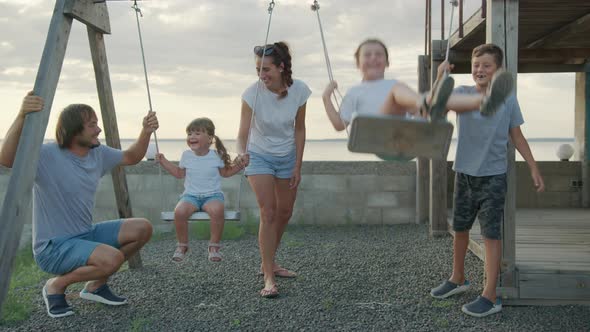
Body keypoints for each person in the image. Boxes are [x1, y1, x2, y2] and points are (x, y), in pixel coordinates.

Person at [0, 91, 158, 318]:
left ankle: (96, 286)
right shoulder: (46, 154)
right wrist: (23, 114)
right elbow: (6, 159)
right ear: (74, 130)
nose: (98, 130)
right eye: (92, 124)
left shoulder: (98, 153)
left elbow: (131, 157)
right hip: (53, 248)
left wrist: (146, 130)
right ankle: (56, 286)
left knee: (142, 227)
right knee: (111, 258)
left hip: (84, 235)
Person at [429, 44, 545, 317]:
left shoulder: (507, 99)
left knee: (491, 234)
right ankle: (458, 278)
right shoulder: (462, 95)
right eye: (476, 65)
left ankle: (490, 296)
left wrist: (534, 167)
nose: (480, 69)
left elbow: (517, 136)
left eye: (486, 65)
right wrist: (438, 79)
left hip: (493, 177)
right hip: (464, 174)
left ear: (498, 70)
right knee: (460, 228)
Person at [236, 41, 311, 298]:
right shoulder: (251, 94)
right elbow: (243, 133)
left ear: (281, 67)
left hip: (287, 155)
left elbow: (299, 128)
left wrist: (298, 165)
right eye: (258, 69)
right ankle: (268, 276)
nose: (261, 75)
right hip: (258, 155)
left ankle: (269, 261)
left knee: (285, 212)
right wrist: (241, 152)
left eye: (266, 69)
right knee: (268, 212)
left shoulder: (299, 90)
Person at [322, 38, 514, 131]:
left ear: (387, 63)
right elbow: (340, 125)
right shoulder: (356, 92)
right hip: (377, 134)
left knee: (436, 102)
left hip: (404, 135)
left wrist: (439, 79)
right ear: (358, 63)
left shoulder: (397, 88)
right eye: (367, 54)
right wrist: (326, 97)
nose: (373, 58)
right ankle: (430, 102)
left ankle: (484, 101)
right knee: (404, 92)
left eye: (379, 54)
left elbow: (417, 110)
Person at [156, 118, 245, 262]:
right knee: (179, 212)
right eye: (189, 134)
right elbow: (179, 174)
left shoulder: (216, 156)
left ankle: (214, 246)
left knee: (217, 210)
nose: (192, 137)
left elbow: (226, 173)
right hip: (190, 196)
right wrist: (163, 161)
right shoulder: (186, 155)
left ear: (210, 138)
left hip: (212, 195)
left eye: (197, 133)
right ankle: (182, 245)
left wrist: (240, 166)